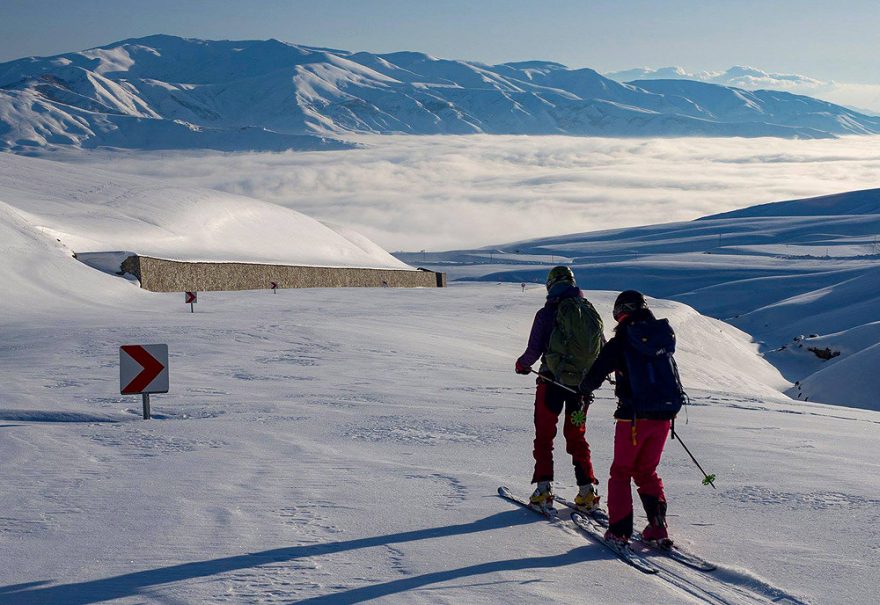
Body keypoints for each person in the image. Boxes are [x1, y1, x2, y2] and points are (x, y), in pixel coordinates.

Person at [578, 290, 683, 546]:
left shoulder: (623, 340)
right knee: (647, 471)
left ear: (621, 312)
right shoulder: (661, 337)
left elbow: (596, 373)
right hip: (665, 417)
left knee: (621, 472)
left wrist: (582, 391)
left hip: (633, 418)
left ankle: (619, 531)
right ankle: (658, 529)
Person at [515, 266, 604, 511]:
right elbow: (601, 348)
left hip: (551, 384)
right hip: (581, 390)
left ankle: (543, 491)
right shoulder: (589, 312)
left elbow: (533, 351)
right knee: (577, 437)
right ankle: (587, 492)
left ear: (550, 284)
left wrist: (521, 365)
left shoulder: (548, 313)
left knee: (544, 437)